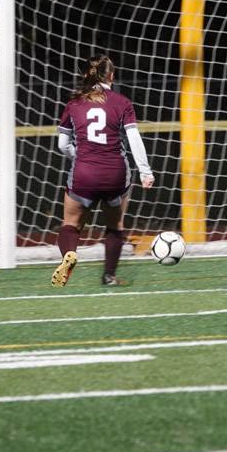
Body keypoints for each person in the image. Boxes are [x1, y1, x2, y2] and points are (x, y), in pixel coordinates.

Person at [51, 54, 154, 287]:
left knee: (71, 224)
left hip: (84, 173)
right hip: (115, 173)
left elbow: (62, 144)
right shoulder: (122, 102)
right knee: (115, 226)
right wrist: (146, 172)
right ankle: (108, 276)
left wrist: (79, 156)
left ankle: (69, 254)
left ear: (87, 75)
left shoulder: (74, 103)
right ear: (111, 76)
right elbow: (134, 139)